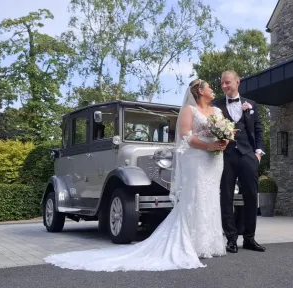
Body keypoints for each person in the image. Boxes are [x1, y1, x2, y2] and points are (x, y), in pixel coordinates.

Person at [43, 79, 228, 272]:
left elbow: (222, 131)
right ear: (200, 90)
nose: (213, 89)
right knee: (196, 197)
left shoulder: (216, 111)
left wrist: (224, 141)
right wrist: (208, 145)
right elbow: (186, 136)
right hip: (198, 156)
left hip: (212, 160)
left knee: (210, 199)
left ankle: (208, 242)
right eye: (209, 87)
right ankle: (192, 241)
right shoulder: (190, 110)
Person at [213, 70, 266, 253]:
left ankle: (250, 238)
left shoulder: (251, 105)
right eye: (222, 83)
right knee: (226, 196)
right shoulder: (216, 106)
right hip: (226, 156)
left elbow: (258, 130)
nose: (225, 86)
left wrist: (258, 153)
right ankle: (231, 239)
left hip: (248, 155)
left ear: (237, 82)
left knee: (251, 196)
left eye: (227, 82)